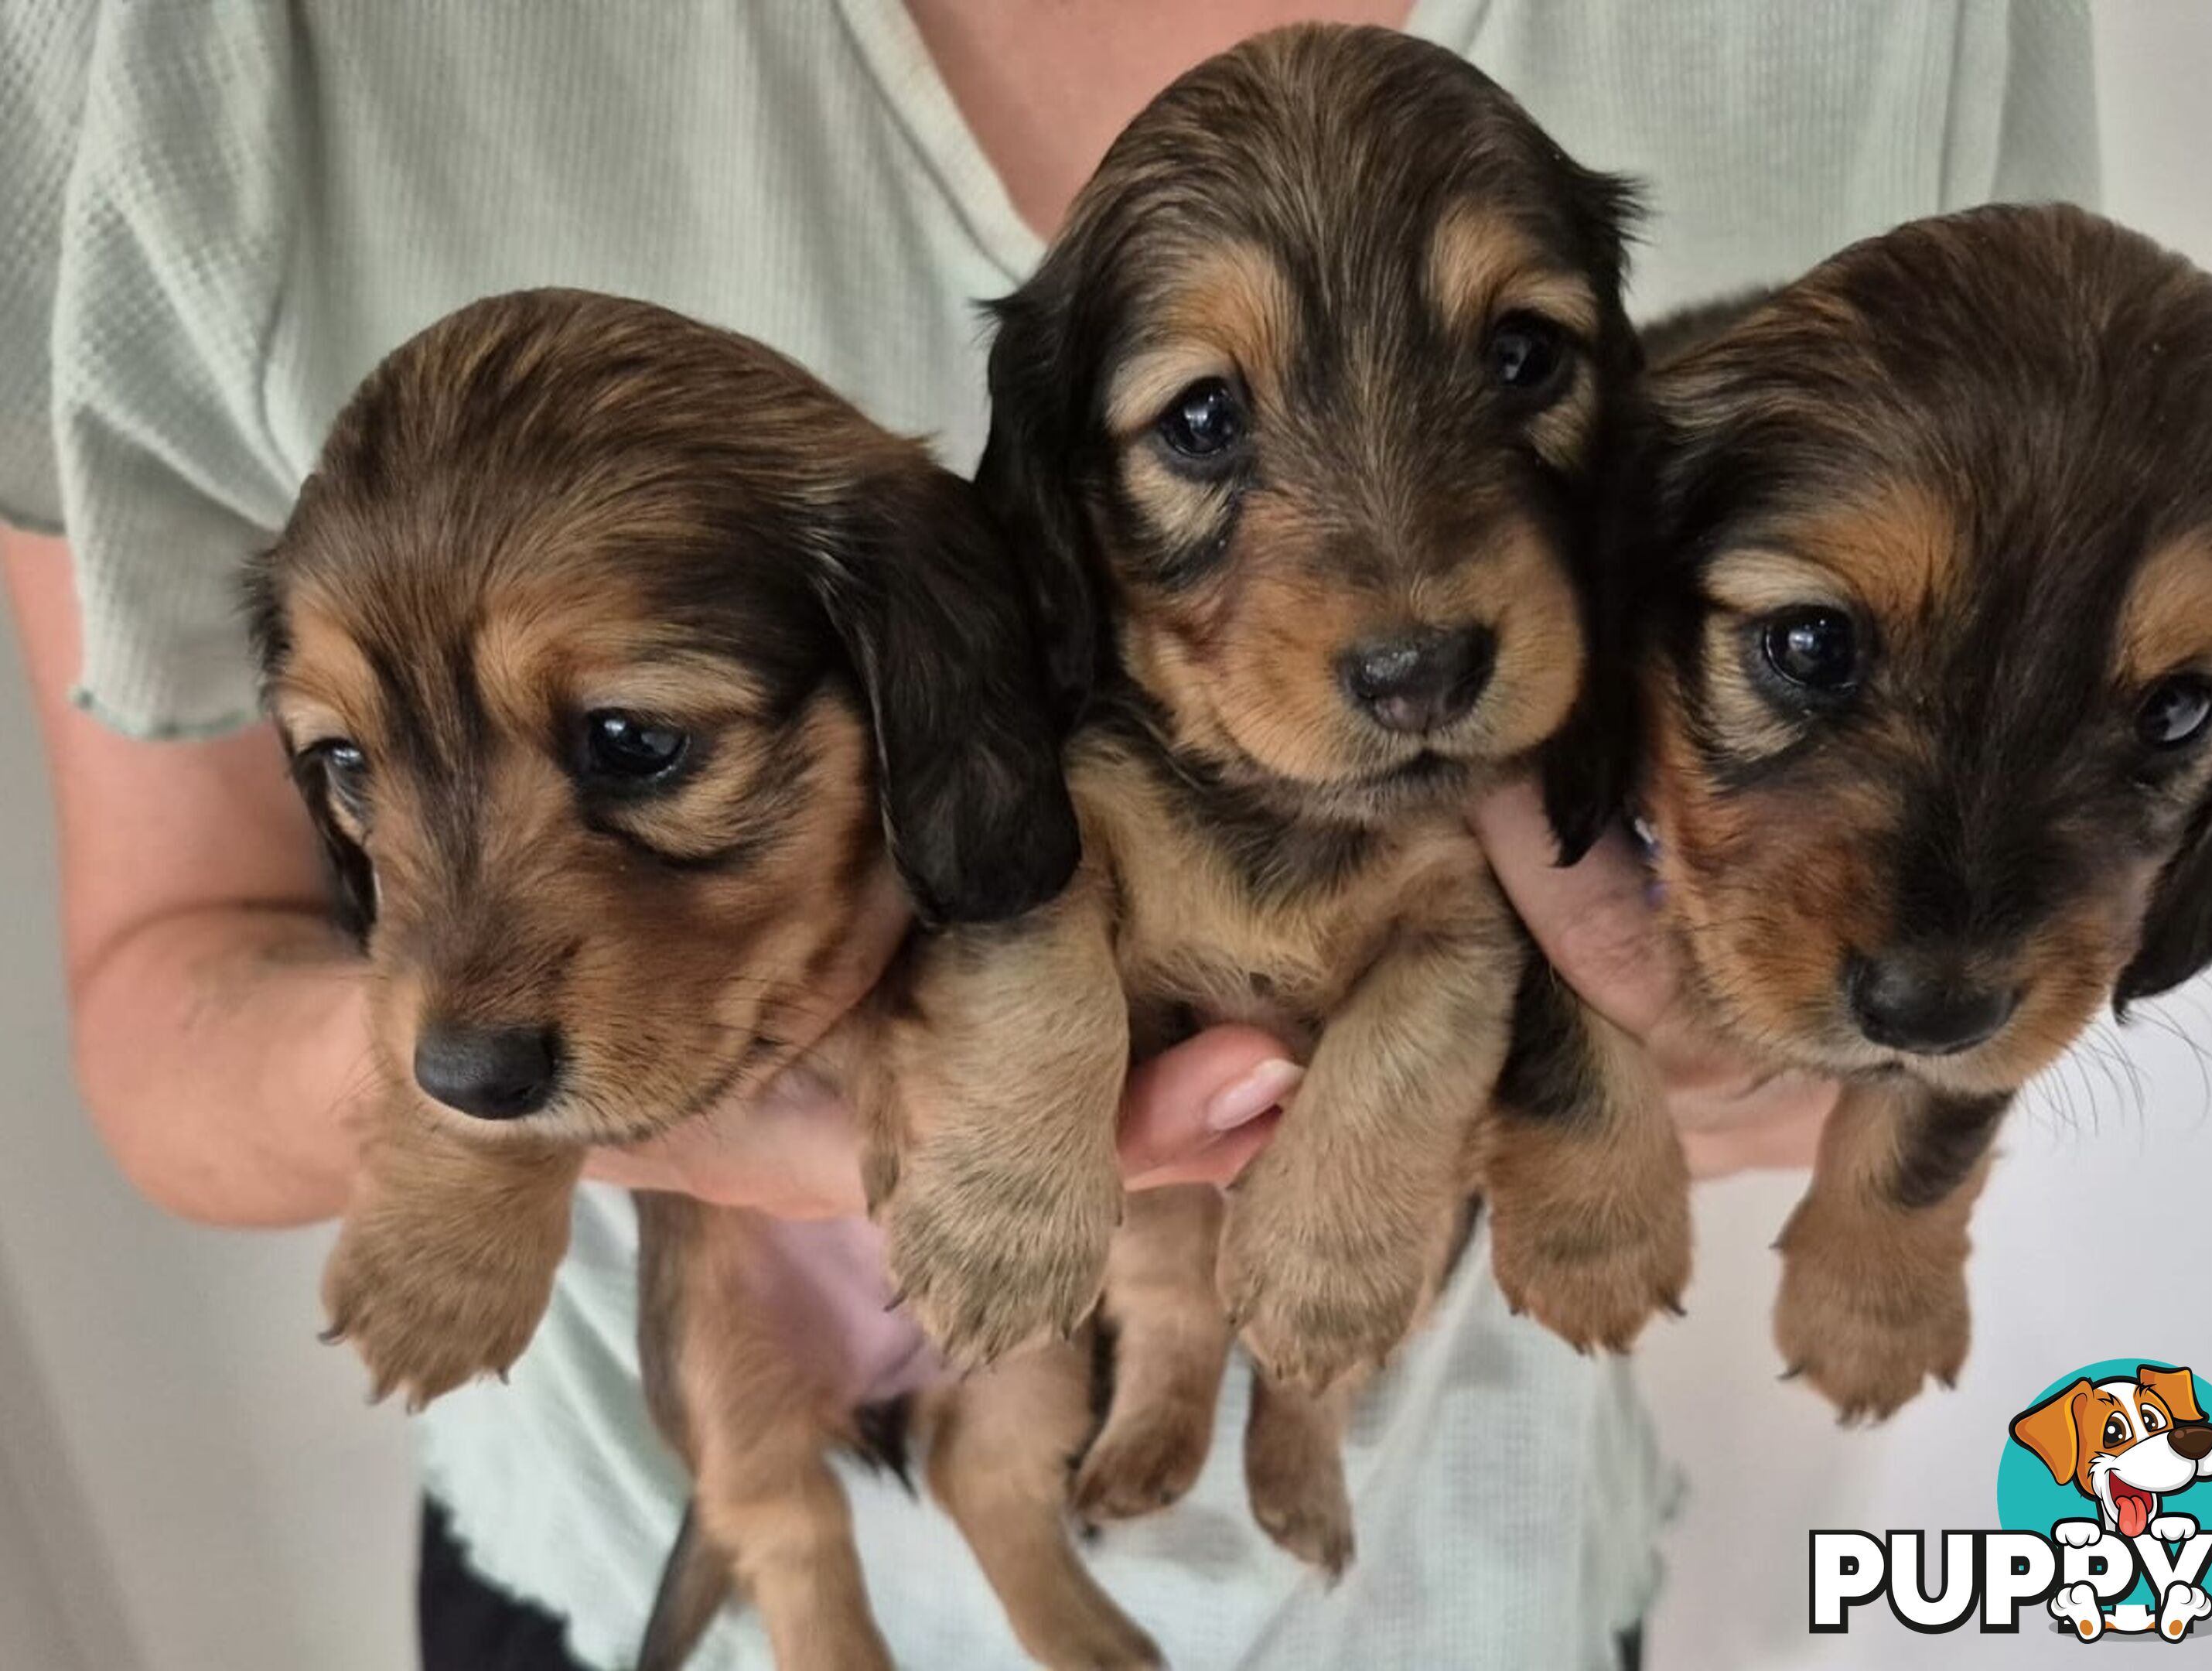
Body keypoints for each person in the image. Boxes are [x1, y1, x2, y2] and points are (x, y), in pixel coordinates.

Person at [0, 3, 2094, 1666]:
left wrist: (1711, 1082)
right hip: (622, 1496)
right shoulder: (186, 59)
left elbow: (2005, 758)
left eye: (1531, 361)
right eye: (1197, 423)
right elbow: (178, 992)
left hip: (1467, 1555)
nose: (1395, 621)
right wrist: (513, 1139)